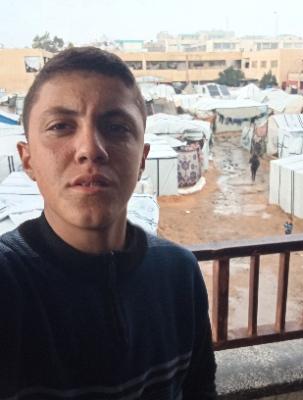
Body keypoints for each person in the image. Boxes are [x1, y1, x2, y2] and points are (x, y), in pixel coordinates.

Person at [0, 47, 216, 399]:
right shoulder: (9, 283)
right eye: (61, 126)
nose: (90, 149)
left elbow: (200, 390)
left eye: (116, 127)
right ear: (27, 160)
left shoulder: (179, 274)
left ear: (142, 158)